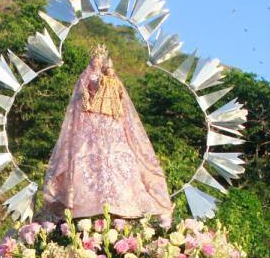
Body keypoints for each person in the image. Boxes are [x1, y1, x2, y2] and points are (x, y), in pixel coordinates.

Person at [39, 44, 173, 219]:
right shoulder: (86, 78)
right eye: (95, 61)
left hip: (111, 121)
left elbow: (119, 96)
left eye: (100, 62)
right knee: (85, 157)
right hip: (90, 122)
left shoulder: (111, 79)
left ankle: (122, 203)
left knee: (120, 158)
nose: (98, 64)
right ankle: (81, 204)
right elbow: (83, 95)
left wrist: (109, 79)